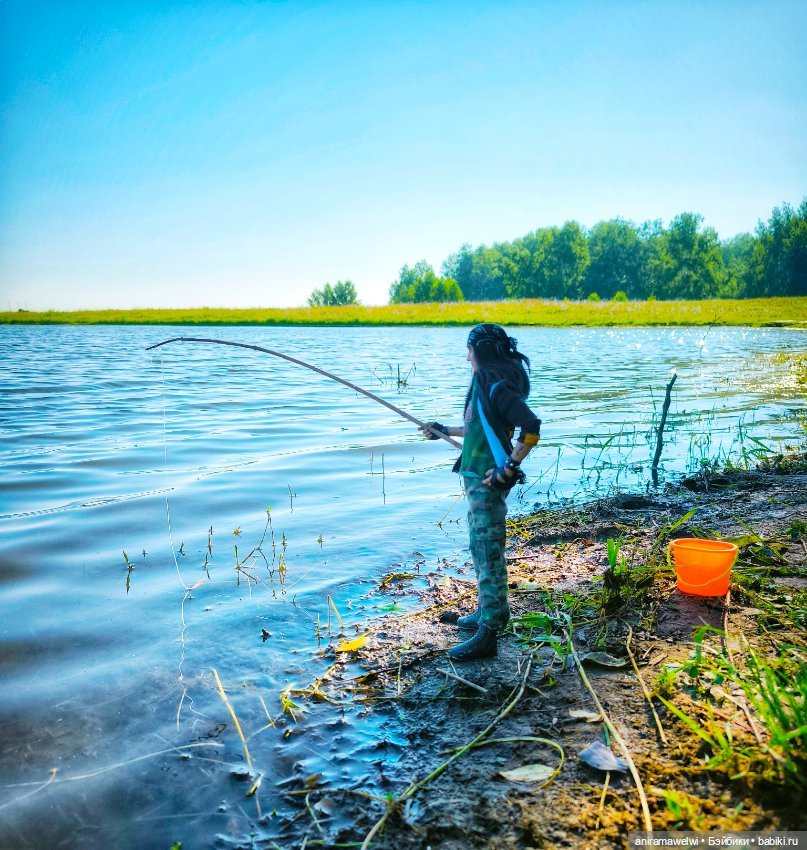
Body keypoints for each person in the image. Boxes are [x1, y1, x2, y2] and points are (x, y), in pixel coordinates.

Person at [420, 323, 541, 662]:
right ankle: (487, 610)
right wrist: (444, 430)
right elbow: (477, 427)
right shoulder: (482, 383)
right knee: (479, 544)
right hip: (473, 478)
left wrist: (508, 468)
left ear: (480, 351)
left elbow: (531, 427)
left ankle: (490, 630)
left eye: (469, 348)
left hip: (488, 481)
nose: (467, 355)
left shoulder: (496, 384)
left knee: (488, 550)